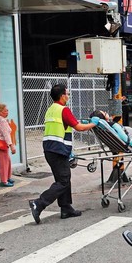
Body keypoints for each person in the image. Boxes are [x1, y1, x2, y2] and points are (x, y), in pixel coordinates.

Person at [29, 84, 99, 224]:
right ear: (62, 96)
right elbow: (78, 128)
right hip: (58, 150)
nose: (68, 96)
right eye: (67, 94)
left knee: (64, 178)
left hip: (51, 150)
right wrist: (93, 124)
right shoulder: (63, 110)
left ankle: (66, 208)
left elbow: (63, 127)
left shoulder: (50, 109)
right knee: (63, 181)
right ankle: (39, 203)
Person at [0, 103, 16, 187]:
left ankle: (7, 178)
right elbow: (6, 134)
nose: (7, 112)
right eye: (6, 110)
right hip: (2, 143)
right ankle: (4, 180)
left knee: (6, 161)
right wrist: (11, 145)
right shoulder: (2, 121)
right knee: (4, 163)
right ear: (0, 111)